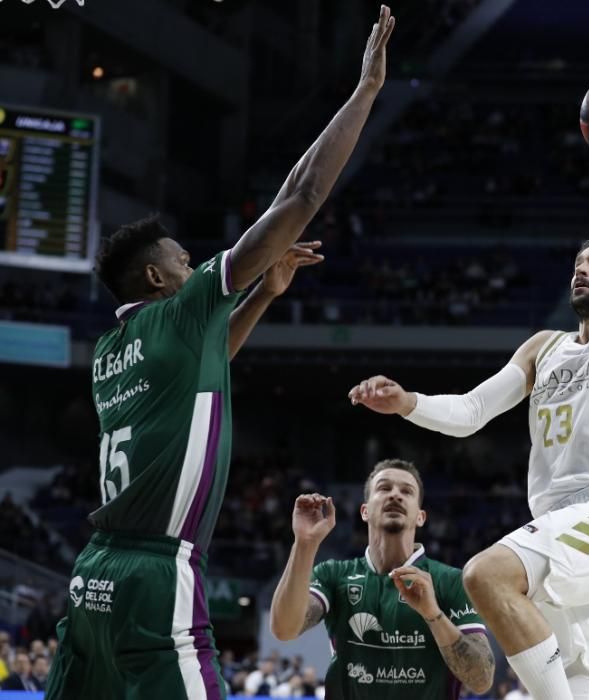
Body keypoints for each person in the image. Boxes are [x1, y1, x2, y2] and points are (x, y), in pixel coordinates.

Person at [44, 7, 396, 699]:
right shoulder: (183, 307)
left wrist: (263, 296)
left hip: (93, 574)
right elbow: (299, 195)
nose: (194, 263)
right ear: (158, 279)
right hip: (153, 574)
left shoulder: (112, 348)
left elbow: (204, 371)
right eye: (183, 259)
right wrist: (366, 92)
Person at [349, 90, 589, 700]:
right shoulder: (543, 348)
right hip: (558, 524)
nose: (583, 269)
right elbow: (472, 411)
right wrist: (408, 402)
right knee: (582, 685)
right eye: (579, 262)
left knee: (486, 575)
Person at [269, 459, 495, 698]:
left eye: (406, 491)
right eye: (384, 488)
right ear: (365, 511)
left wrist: (433, 615)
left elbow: (481, 680)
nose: (395, 495)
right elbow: (284, 629)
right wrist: (305, 543)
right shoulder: (334, 575)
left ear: (421, 517)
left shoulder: (451, 581)